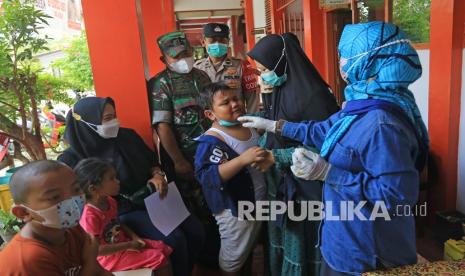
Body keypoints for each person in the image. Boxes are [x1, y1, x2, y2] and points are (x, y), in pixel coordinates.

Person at [240, 22, 429, 275]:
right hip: (341, 236)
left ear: (369, 61)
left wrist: (328, 173)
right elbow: (324, 129)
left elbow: (395, 198)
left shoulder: (381, 124)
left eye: (346, 56)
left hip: (366, 250)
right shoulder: (363, 101)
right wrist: (276, 126)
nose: (341, 62)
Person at [58, 96, 205, 276]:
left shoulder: (127, 136)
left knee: (196, 231)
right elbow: (77, 199)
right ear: (88, 122)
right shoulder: (71, 159)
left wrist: (157, 175)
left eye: (114, 116)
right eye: (107, 119)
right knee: (175, 240)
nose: (114, 122)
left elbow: (152, 160)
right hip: (119, 211)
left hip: (153, 196)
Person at [238, 32, 340, 276]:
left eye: (265, 69)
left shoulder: (316, 97)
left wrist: (278, 157)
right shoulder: (278, 88)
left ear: (283, 62)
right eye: (260, 70)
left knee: (303, 244)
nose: (263, 76)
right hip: (280, 183)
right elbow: (278, 125)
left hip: (307, 188)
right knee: (282, 242)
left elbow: (326, 148)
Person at [148, 31, 219, 267]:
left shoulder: (201, 76)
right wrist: (178, 161)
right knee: (194, 209)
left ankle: (218, 254)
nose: (183, 58)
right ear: (164, 59)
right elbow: (163, 127)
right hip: (184, 158)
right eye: (177, 55)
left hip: (210, 151)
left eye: (187, 53)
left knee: (215, 203)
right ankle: (204, 260)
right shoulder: (161, 84)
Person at [194, 82, 266, 275]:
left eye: (235, 98)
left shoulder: (249, 126)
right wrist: (242, 160)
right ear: (211, 114)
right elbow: (207, 177)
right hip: (234, 208)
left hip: (256, 201)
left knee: (249, 246)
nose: (234, 104)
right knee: (233, 257)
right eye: (225, 103)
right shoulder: (212, 140)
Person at [0, 160, 110, 275]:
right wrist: (90, 261)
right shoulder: (30, 258)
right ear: (24, 212)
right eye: (54, 197)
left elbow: (99, 272)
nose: (71, 200)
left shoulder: (72, 229)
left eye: (76, 189)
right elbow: (92, 267)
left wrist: (91, 264)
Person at [75, 158, 173, 275]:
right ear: (93, 189)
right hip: (109, 259)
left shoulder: (110, 201)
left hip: (123, 245)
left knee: (162, 248)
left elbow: (118, 223)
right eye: (111, 179)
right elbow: (97, 251)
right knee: (159, 258)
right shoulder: (89, 216)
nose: (118, 181)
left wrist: (134, 237)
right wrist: (129, 245)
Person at [194, 23, 260, 113]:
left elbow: (252, 99)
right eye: (212, 40)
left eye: (222, 40)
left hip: (236, 121)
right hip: (207, 122)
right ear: (203, 42)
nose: (217, 44)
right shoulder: (196, 68)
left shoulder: (242, 66)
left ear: (228, 42)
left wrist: (252, 124)